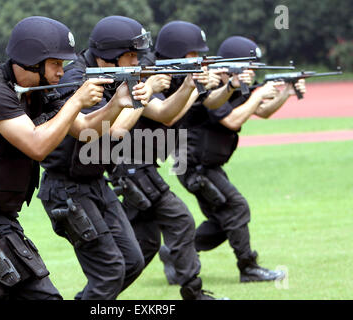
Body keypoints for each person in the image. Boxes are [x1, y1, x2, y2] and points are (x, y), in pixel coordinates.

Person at [0, 16, 129, 300]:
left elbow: (84, 130)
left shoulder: (38, 93)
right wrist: (77, 100)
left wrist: (117, 103)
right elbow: (37, 145)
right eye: (55, 63)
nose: (61, 71)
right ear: (31, 61)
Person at [108, 21, 252, 300]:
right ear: (177, 52)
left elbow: (209, 103)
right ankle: (194, 294)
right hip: (129, 164)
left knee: (145, 247)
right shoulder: (150, 72)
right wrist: (192, 87)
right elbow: (166, 114)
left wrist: (226, 86)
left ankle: (96, 297)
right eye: (194, 55)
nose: (201, 60)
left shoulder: (176, 73)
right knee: (181, 220)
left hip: (141, 164)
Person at [161, 35, 306, 283]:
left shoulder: (234, 87)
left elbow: (262, 112)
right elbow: (232, 120)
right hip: (195, 165)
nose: (252, 73)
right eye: (248, 67)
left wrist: (286, 93)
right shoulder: (214, 87)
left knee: (223, 220)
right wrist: (259, 95)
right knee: (237, 208)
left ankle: (173, 253)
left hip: (205, 164)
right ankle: (248, 268)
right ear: (233, 65)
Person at [36, 15, 160, 300]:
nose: (136, 62)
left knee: (132, 261)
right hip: (66, 188)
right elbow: (112, 130)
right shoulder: (75, 79)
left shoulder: (114, 74)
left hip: (95, 181)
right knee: (110, 270)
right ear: (106, 59)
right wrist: (145, 93)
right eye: (130, 56)